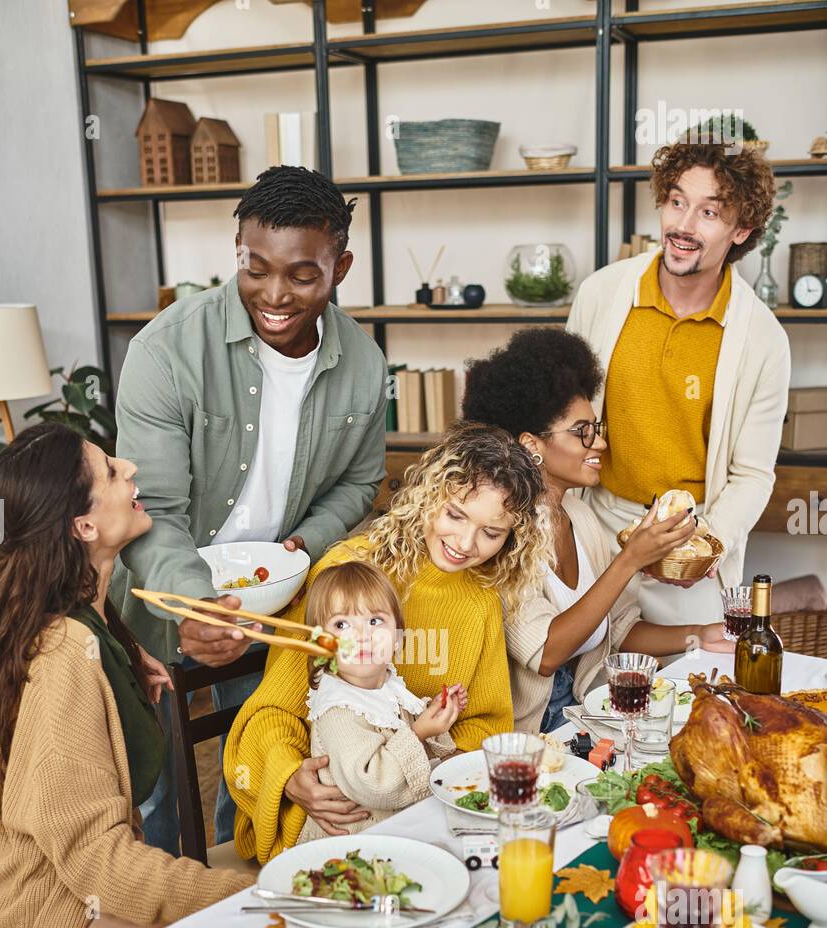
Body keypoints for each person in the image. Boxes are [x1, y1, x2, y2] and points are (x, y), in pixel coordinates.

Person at [110, 165, 390, 854]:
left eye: (301, 274)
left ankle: (252, 889)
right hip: (161, 598)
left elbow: (360, 484)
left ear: (340, 265)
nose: (273, 294)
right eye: (254, 268)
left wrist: (305, 543)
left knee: (257, 765)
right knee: (155, 795)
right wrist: (200, 606)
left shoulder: (362, 363)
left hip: (276, 601)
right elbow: (155, 512)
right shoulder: (167, 352)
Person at [0, 424, 251, 928]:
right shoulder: (63, 658)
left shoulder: (76, 615)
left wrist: (120, 663)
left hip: (83, 895)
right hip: (66, 927)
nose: (131, 469)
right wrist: (247, 895)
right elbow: (102, 865)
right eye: (112, 472)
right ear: (83, 528)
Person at [223, 421, 553, 861]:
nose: (465, 543)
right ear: (429, 494)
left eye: (491, 533)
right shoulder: (347, 573)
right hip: (331, 820)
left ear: (512, 538)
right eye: (455, 514)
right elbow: (274, 710)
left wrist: (425, 764)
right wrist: (289, 777)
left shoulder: (481, 600)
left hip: (422, 808)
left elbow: (485, 724)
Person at [566, 136, 790, 624]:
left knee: (685, 687)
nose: (683, 227)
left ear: (741, 230)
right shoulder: (601, 294)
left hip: (689, 545)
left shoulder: (763, 339)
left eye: (709, 213)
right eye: (676, 203)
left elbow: (752, 474)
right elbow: (560, 416)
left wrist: (704, 543)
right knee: (583, 688)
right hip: (594, 528)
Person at [462, 328, 732, 732]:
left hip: (585, 712)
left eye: (597, 429)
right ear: (531, 444)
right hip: (533, 732)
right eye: (582, 431)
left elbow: (618, 627)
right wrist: (630, 561)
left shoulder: (579, 516)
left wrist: (699, 634)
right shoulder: (501, 532)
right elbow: (546, 653)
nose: (600, 444)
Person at [297, 560, 465, 843]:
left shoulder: (387, 686)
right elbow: (374, 784)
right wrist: (419, 731)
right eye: (341, 624)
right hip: (354, 848)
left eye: (374, 621)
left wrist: (433, 715)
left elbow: (412, 747)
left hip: (396, 833)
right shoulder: (338, 710)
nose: (362, 636)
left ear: (398, 637)